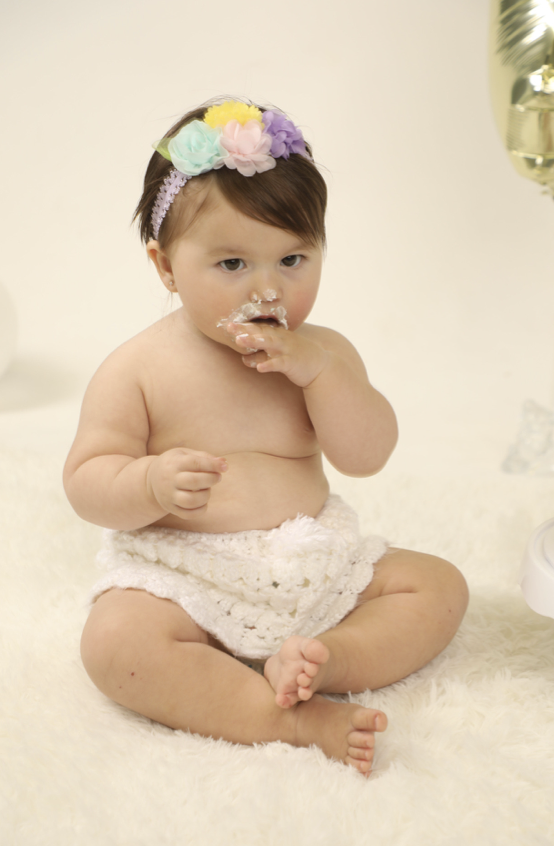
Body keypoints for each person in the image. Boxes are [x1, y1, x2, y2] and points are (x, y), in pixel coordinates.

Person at [64, 99, 469, 776]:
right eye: (232, 264)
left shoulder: (324, 354)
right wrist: (148, 482)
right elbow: (86, 481)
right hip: (185, 576)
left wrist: (323, 376)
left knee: (439, 586)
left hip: (311, 561)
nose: (267, 288)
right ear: (166, 266)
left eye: (292, 259)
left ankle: (329, 659)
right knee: (114, 643)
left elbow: (367, 455)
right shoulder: (138, 369)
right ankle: (290, 718)